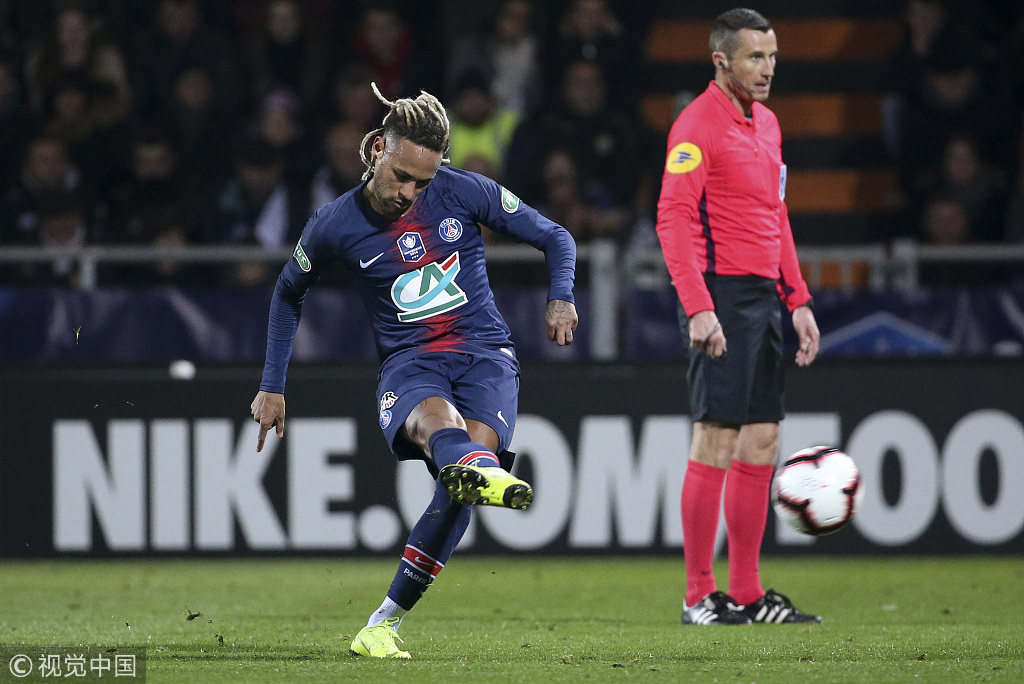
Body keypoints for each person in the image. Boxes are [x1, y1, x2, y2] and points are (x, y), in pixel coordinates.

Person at [249, 83, 578, 657]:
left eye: (422, 183)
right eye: (402, 176)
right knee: (439, 428)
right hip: (411, 361)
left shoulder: (463, 190)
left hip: (485, 354)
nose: (409, 193)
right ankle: (478, 468)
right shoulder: (333, 224)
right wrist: (272, 385)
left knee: (459, 487)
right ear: (378, 147)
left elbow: (556, 236)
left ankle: (382, 624)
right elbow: (287, 293)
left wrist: (562, 297)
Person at [654, 8, 822, 626]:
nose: (767, 68)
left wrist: (797, 298)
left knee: (762, 439)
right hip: (719, 295)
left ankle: (748, 594)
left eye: (772, 56)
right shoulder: (697, 125)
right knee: (717, 437)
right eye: (755, 57)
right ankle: (698, 595)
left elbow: (776, 216)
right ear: (721, 61)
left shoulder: (768, 125)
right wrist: (699, 308)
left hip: (763, 297)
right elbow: (672, 219)